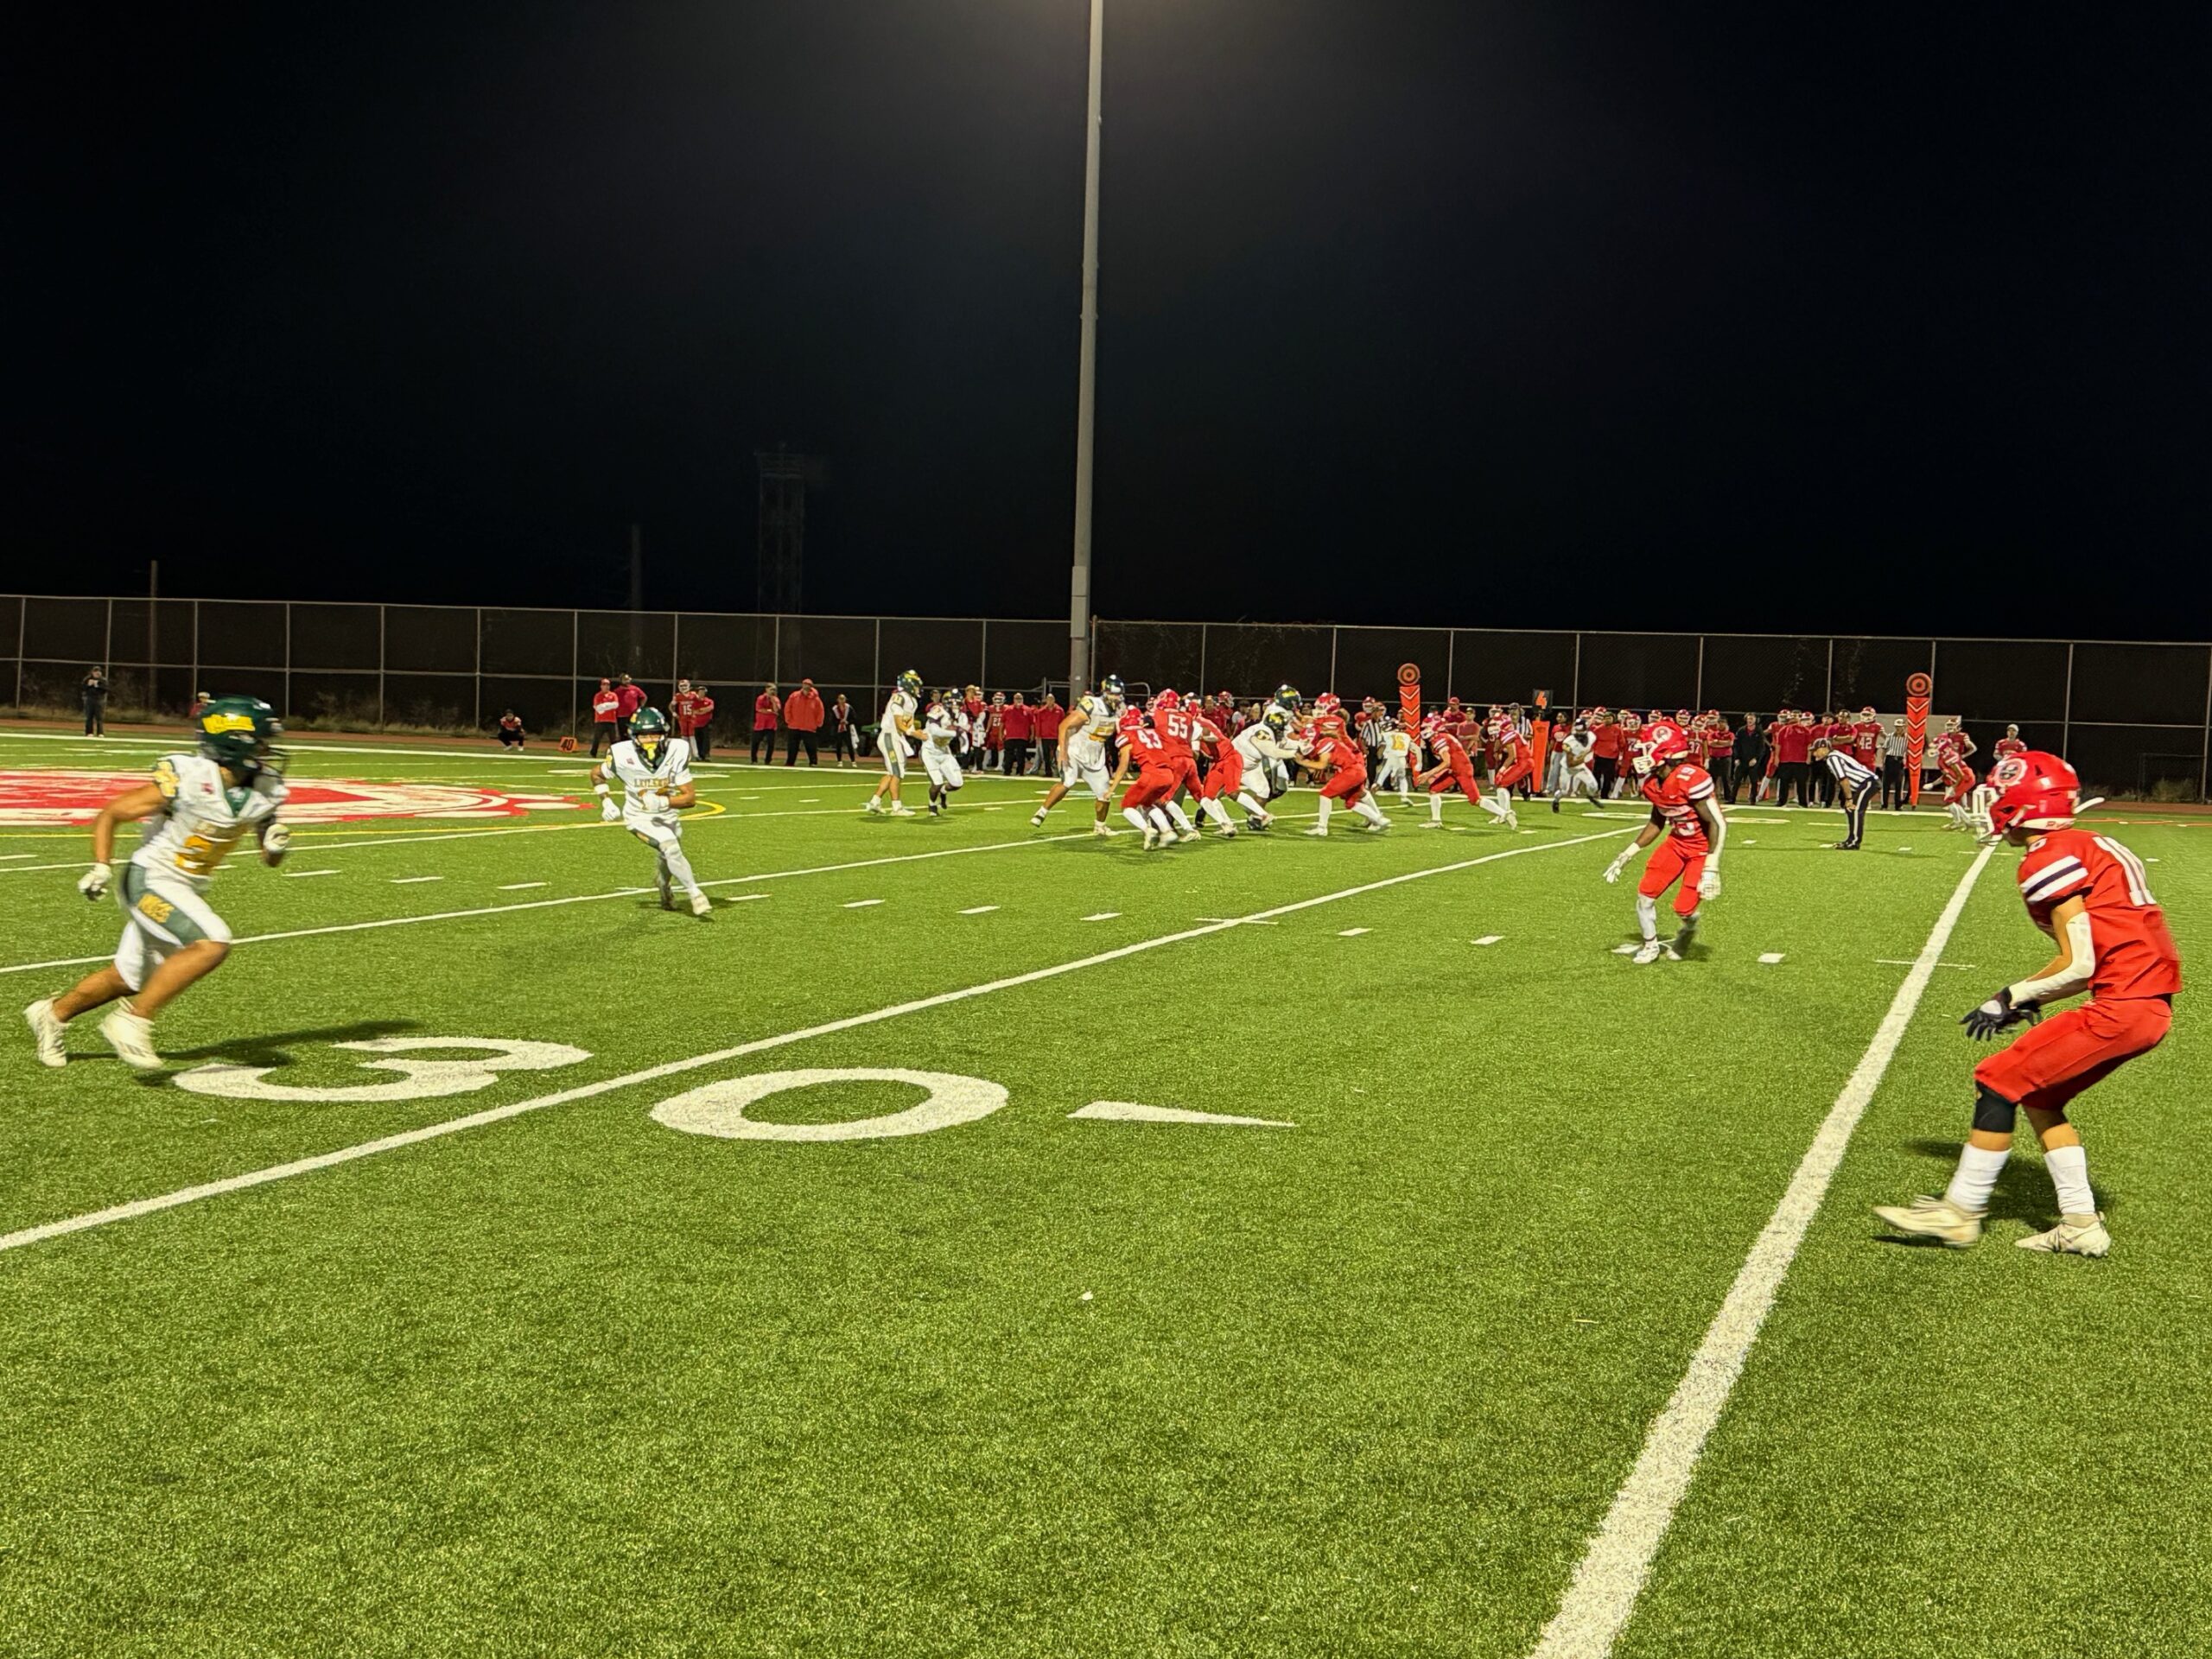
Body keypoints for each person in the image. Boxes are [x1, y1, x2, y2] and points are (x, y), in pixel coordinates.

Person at [1875, 752, 2179, 1256]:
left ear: (2019, 801)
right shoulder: (2087, 843)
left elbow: (2080, 964)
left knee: (1996, 1081)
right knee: (2039, 1098)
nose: (1992, 804)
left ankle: (1960, 1213)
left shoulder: (2047, 855)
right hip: (2143, 1002)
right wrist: (2018, 997)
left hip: (2124, 1005)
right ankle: (2081, 1222)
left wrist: (2010, 996)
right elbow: (2094, 960)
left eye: (1998, 795)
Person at [23, 696, 289, 1069]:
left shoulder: (266, 786)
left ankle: (52, 1015)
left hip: (187, 885)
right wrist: (101, 866)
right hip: (150, 877)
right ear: (237, 741)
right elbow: (112, 813)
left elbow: (269, 858)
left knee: (128, 977)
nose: (268, 748)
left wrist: (275, 845)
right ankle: (133, 1020)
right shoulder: (190, 776)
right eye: (262, 739)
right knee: (212, 941)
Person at [1602, 721, 1724, 965]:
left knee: (1684, 908)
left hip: (1700, 849)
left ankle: (1688, 928)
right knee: (1645, 896)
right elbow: (1656, 822)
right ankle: (1650, 946)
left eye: (1648, 748)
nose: (1642, 754)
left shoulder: (1690, 777)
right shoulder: (1651, 783)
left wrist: (1711, 866)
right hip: (1676, 843)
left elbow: (1717, 824)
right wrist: (1627, 854)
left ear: (1664, 752)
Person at [591, 708, 710, 917]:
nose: (650, 740)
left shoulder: (678, 750)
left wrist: (662, 802)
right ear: (634, 736)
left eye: (654, 734)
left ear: (664, 733)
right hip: (638, 817)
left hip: (667, 814)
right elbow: (597, 774)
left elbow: (690, 799)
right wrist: (606, 801)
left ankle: (663, 885)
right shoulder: (621, 754)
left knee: (669, 853)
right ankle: (695, 893)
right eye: (644, 735)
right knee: (670, 847)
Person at [1299, 694, 1389, 837]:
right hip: (1350, 759)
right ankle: (1377, 818)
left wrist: (1308, 722)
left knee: (1333, 793)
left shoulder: (1334, 720)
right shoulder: (1325, 721)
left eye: (1321, 707)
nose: (1318, 710)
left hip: (1353, 758)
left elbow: (1322, 731)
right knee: (1355, 795)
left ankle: (1375, 818)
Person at [865, 671, 923, 817]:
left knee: (893, 772)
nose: (918, 688)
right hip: (890, 736)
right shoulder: (900, 697)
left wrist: (916, 732)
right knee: (897, 772)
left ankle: (875, 801)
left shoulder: (912, 701)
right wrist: (914, 734)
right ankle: (896, 807)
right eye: (915, 685)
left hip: (896, 737)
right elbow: (898, 724)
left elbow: (908, 723)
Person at [1812, 732, 1879, 849]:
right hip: (1865, 782)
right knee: (1850, 810)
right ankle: (1851, 839)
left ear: (1823, 748)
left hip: (1867, 782)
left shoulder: (1832, 758)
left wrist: (1849, 798)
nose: (1814, 753)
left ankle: (1854, 842)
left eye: (1815, 750)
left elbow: (1843, 779)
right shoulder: (1835, 755)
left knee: (1855, 810)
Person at [1414, 714, 1480, 828]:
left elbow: (1446, 762)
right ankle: (1436, 821)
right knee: (1434, 789)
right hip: (1455, 769)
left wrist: (1428, 773)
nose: (1424, 730)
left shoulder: (1439, 739)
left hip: (1461, 769)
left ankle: (1505, 813)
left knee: (1476, 800)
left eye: (1426, 727)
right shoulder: (1442, 736)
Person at [919, 689, 966, 815]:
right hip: (930, 751)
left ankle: (943, 792)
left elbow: (964, 735)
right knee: (937, 782)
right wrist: (955, 733)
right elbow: (935, 731)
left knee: (957, 783)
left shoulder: (961, 717)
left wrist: (965, 748)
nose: (956, 706)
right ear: (946, 703)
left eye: (958, 703)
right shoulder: (938, 710)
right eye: (953, 703)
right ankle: (932, 805)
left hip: (945, 752)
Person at [1935, 717, 1980, 831]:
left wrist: (1962, 756)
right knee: (1951, 797)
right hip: (1955, 767)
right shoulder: (1944, 749)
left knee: (1951, 798)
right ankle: (1962, 821)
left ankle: (1961, 821)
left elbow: (1973, 748)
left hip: (1959, 769)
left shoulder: (1951, 753)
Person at [1552, 716, 1600, 811]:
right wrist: (1584, 758)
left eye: (1581, 729)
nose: (1579, 733)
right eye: (1577, 730)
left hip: (1580, 766)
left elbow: (1590, 748)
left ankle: (1590, 797)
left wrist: (1587, 754)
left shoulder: (1591, 736)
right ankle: (1556, 801)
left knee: (1593, 786)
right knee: (1564, 791)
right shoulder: (1569, 741)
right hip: (1567, 768)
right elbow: (1570, 764)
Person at [783, 678, 823, 766]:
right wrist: (788, 719)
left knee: (811, 747)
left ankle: (813, 762)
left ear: (811, 687)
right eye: (805, 684)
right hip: (794, 725)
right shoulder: (794, 696)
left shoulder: (816, 699)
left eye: (808, 685)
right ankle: (790, 762)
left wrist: (818, 723)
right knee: (792, 747)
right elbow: (787, 708)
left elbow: (820, 711)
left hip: (809, 727)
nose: (806, 686)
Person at [1728, 713, 1764, 804]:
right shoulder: (1741, 731)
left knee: (1754, 781)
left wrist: (1756, 758)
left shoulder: (1759, 731)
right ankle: (1732, 799)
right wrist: (1736, 758)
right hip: (1742, 760)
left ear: (1756, 720)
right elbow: (1736, 745)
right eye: (1748, 719)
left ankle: (1752, 800)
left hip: (1753, 761)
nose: (1750, 720)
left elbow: (1761, 747)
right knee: (1737, 781)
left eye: (1752, 718)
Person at [1588, 709, 1623, 800]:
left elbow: (1621, 742)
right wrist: (1593, 752)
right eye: (1606, 718)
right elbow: (1593, 742)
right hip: (1599, 755)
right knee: (1596, 775)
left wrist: (1620, 754)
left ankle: (1605, 794)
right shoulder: (1598, 729)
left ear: (1613, 719)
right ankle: (1596, 790)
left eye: (1610, 718)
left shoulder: (1617, 729)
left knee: (1608, 777)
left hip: (1612, 757)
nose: (1608, 720)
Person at [1880, 718, 1910, 810]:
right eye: (1897, 727)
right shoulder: (1890, 736)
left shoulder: (1907, 738)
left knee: (1899, 784)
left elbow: (1908, 750)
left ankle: (1898, 805)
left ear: (1904, 727)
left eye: (1900, 727)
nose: (1898, 728)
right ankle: (1884, 805)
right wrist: (1883, 762)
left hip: (1899, 760)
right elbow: (1885, 749)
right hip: (1890, 760)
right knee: (1886, 784)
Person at [1033, 690, 1064, 776]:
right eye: (1048, 699)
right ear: (1046, 700)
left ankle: (1059, 772)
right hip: (1045, 736)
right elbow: (1038, 724)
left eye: (1051, 699)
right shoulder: (1041, 712)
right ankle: (1048, 772)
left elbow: (1062, 723)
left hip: (1056, 736)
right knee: (1046, 756)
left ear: (1054, 700)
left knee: (1057, 756)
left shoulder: (1059, 710)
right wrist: (1037, 736)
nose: (1050, 701)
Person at [1003, 694, 1034, 777]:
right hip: (1010, 736)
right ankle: (1007, 771)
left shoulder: (1028, 710)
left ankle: (1020, 772)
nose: (1018, 700)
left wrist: (1032, 734)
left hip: (1023, 736)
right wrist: (1001, 733)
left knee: (1021, 755)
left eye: (1020, 698)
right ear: (1013, 699)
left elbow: (1032, 724)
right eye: (1017, 698)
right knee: (1009, 755)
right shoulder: (1008, 710)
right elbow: (1003, 722)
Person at [589, 678, 621, 756]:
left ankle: (615, 755)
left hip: (611, 721)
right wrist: (609, 705)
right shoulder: (598, 695)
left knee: (614, 740)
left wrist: (604, 706)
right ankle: (593, 753)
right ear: (601, 686)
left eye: (608, 685)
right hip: (600, 721)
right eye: (604, 685)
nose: (606, 687)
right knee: (597, 739)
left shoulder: (613, 695)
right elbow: (598, 709)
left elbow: (616, 705)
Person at [751, 684, 780, 765]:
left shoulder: (776, 699)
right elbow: (759, 709)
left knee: (771, 744)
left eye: (774, 690)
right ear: (766, 689)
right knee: (755, 742)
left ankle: (768, 760)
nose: (773, 691)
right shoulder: (761, 698)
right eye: (771, 689)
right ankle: (754, 760)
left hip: (771, 725)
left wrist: (773, 701)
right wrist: (770, 711)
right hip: (760, 725)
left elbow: (776, 710)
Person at [827, 694, 858, 766]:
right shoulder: (834, 709)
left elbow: (854, 718)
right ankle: (839, 761)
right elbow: (831, 720)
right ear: (837, 700)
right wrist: (839, 722)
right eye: (840, 699)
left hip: (847, 729)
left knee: (849, 745)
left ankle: (853, 761)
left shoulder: (849, 708)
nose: (841, 701)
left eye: (843, 699)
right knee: (838, 745)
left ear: (845, 700)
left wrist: (848, 722)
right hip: (838, 729)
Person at [613, 674, 645, 742]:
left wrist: (640, 707)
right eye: (625, 679)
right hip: (621, 716)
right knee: (623, 734)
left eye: (628, 679)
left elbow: (644, 697)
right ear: (621, 681)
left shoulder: (635, 689)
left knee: (633, 733)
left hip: (633, 715)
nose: (627, 681)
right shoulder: (617, 691)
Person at [81, 666, 110, 736]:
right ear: (92, 672)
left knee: (99, 717)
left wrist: (97, 685)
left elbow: (106, 689)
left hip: (99, 700)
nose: (97, 673)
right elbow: (82, 688)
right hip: (89, 699)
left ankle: (100, 732)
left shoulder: (103, 680)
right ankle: (89, 732)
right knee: (89, 717)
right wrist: (88, 685)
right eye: (95, 671)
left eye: (99, 672)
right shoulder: (87, 679)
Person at [689, 685, 715, 759]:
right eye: (700, 692)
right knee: (698, 739)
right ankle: (700, 755)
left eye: (703, 692)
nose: (702, 693)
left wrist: (701, 710)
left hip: (706, 723)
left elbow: (710, 708)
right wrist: (702, 711)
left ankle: (706, 754)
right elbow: (694, 711)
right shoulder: (694, 702)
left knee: (706, 739)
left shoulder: (709, 701)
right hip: (696, 724)